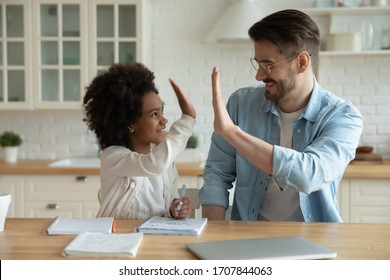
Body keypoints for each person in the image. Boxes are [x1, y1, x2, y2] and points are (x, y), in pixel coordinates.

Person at [200, 9, 363, 222]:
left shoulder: (343, 117)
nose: (259, 75)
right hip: (248, 239)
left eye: (268, 65)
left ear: (302, 62)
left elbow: (309, 174)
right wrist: (213, 234)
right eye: (258, 63)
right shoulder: (241, 103)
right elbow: (217, 175)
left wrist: (232, 133)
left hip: (314, 242)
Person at [83, 62, 196, 219]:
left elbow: (164, 215)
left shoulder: (167, 166)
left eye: (161, 111)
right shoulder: (113, 157)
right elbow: (154, 164)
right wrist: (187, 119)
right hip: (116, 240)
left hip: (151, 240)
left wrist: (174, 211)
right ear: (130, 124)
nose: (164, 120)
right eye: (154, 114)